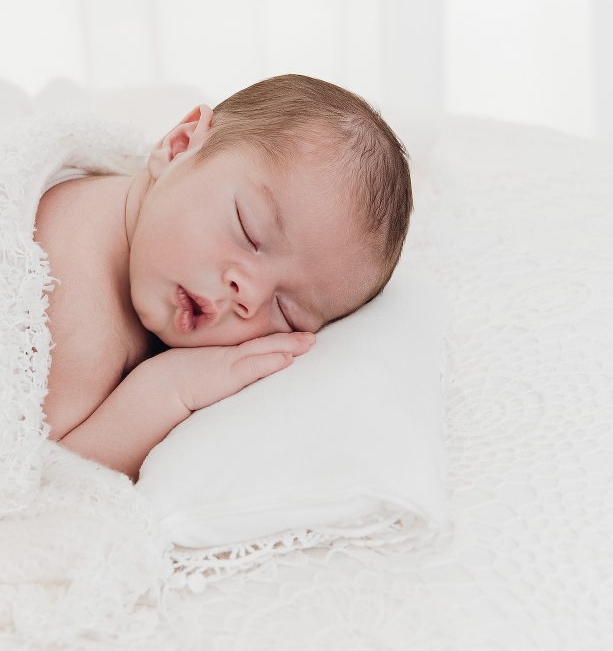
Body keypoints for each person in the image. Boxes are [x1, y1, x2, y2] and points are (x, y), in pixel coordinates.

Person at [35, 74, 412, 481]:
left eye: (286, 312)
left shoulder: (145, 209)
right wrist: (165, 390)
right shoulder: (78, 323)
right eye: (249, 232)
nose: (249, 293)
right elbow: (43, 485)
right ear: (179, 146)